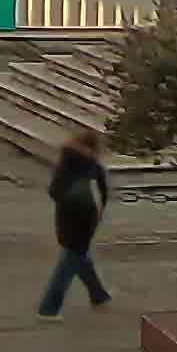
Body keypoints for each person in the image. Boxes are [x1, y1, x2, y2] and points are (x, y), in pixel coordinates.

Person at [38, 127, 112, 315]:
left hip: (64, 216)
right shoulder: (92, 165)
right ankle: (49, 308)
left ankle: (98, 294)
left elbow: (54, 190)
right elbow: (101, 194)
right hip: (84, 217)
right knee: (70, 261)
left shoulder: (66, 160)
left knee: (77, 255)